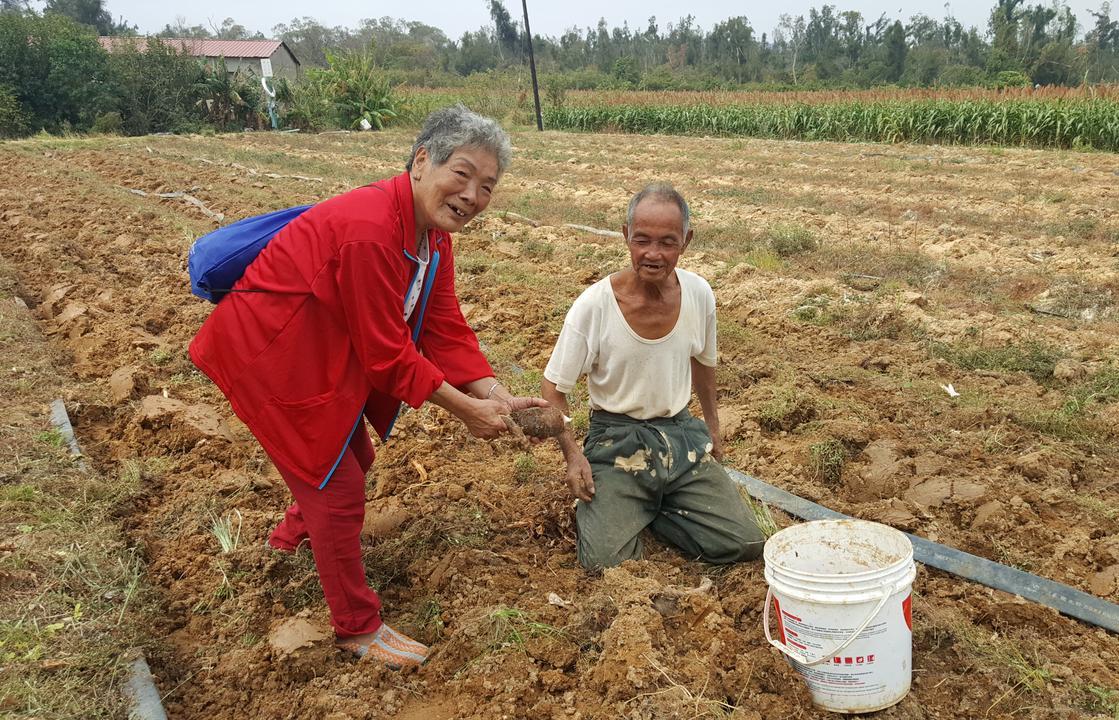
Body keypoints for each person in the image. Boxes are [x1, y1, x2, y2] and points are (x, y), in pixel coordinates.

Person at [188, 105, 545, 668]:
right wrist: (464, 410)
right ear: (422, 160)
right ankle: (357, 626)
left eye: (487, 186)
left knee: (349, 455)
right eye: (462, 173)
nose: (472, 194)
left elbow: (443, 325)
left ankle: (288, 540)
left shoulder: (431, 238)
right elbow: (385, 355)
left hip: (315, 350)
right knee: (335, 485)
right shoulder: (371, 228)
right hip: (272, 355)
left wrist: (491, 392)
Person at [541, 183, 765, 570]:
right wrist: (572, 454)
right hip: (616, 442)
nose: (653, 254)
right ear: (625, 235)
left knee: (744, 542)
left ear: (686, 241)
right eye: (642, 240)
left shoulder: (698, 294)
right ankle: (628, 504)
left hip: (680, 437)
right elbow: (553, 390)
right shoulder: (593, 306)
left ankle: (652, 508)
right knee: (605, 563)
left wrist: (712, 425)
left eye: (668, 242)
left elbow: (704, 363)